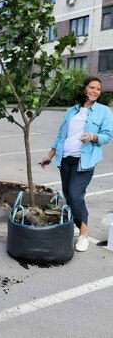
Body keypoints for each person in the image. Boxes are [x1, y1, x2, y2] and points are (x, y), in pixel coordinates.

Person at [41, 77, 113, 251]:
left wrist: (92, 137)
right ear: (84, 89)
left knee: (75, 196)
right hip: (65, 159)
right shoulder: (71, 111)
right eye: (92, 87)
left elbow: (107, 136)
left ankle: (84, 234)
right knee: (68, 194)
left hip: (85, 161)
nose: (95, 91)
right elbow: (61, 136)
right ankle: (75, 224)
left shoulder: (104, 112)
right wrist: (49, 155)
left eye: (98, 89)